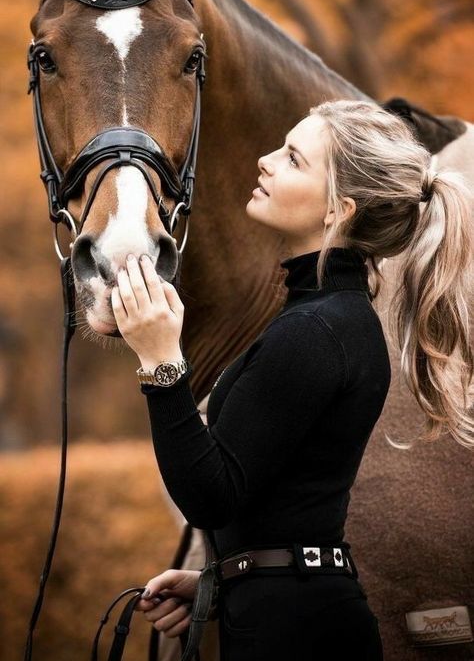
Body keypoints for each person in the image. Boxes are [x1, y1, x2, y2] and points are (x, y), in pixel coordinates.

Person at [111, 99, 473, 661]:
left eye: (293, 159)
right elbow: (281, 496)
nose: (265, 160)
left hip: (295, 633)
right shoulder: (330, 318)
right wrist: (228, 576)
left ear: (338, 210)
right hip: (292, 613)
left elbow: (211, 494)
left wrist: (161, 360)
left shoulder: (317, 331)